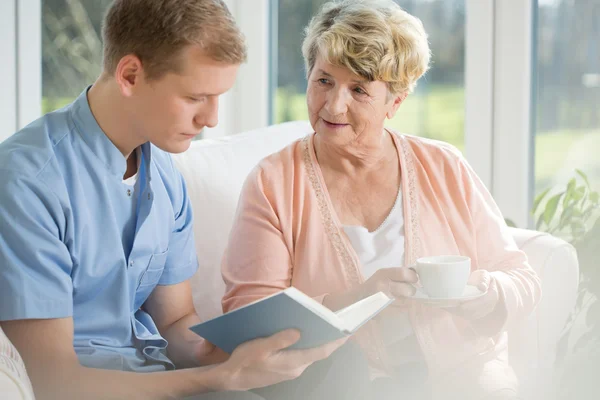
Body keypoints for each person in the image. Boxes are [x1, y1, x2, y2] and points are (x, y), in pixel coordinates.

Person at [0, 1, 366, 399]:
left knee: (339, 365)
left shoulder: (163, 173)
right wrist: (220, 379)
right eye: (196, 97)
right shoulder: (28, 183)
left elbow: (174, 323)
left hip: (161, 376)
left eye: (218, 97)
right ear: (130, 75)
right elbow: (55, 383)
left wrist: (247, 356)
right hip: (93, 388)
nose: (210, 119)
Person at [221, 1, 542, 399]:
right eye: (324, 80)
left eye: (358, 89)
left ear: (395, 102)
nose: (334, 105)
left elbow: (522, 278)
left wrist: (479, 294)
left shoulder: (443, 165)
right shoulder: (273, 182)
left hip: (465, 376)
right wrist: (361, 297)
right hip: (343, 384)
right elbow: (248, 320)